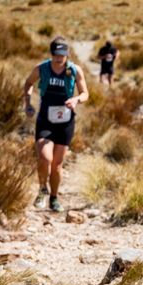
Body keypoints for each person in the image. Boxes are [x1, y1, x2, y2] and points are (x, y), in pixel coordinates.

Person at [22, 36, 88, 212]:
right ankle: (42, 189)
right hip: (45, 119)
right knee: (45, 158)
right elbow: (28, 83)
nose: (59, 58)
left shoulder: (74, 70)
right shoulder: (42, 68)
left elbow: (85, 93)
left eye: (63, 54)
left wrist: (76, 100)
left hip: (65, 122)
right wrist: (28, 104)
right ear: (51, 53)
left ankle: (54, 198)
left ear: (67, 54)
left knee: (57, 165)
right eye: (56, 54)